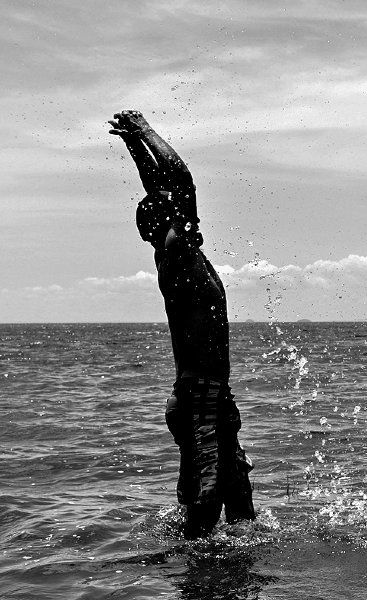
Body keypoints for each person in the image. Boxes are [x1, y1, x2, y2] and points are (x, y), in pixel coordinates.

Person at [108, 110, 256, 538]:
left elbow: (163, 187)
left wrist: (134, 145)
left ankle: (238, 576)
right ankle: (195, 577)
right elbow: (180, 180)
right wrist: (146, 133)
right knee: (205, 503)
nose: (185, 207)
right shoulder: (177, 255)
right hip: (199, 401)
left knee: (239, 495)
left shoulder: (180, 255)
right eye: (175, 208)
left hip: (211, 399)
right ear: (167, 224)